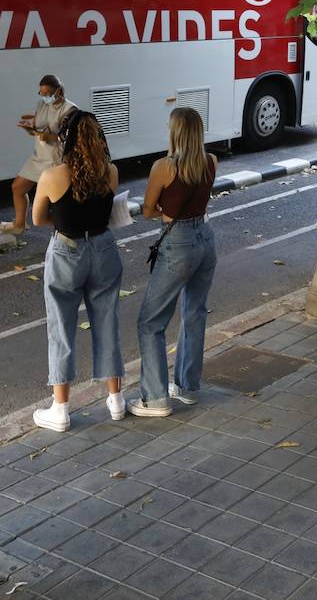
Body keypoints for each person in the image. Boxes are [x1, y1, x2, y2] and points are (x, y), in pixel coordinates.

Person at [29, 111, 124, 432]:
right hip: (104, 250)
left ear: (65, 139)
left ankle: (61, 409)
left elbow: (38, 219)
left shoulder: (52, 177)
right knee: (107, 320)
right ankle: (116, 401)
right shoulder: (110, 172)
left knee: (61, 327)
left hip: (66, 251)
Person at [128, 107, 219, 417]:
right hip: (206, 239)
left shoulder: (163, 167)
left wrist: (164, 211)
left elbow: (148, 209)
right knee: (194, 312)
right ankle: (187, 387)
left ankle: (154, 398)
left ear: (175, 132)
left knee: (150, 322)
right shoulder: (211, 162)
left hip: (178, 243)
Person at [0, 75, 76, 235]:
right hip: (39, 155)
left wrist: (47, 137)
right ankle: (19, 224)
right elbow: (37, 127)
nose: (44, 97)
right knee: (17, 187)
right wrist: (29, 129)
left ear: (59, 91)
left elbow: (70, 137)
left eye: (48, 93)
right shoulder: (41, 104)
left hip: (56, 159)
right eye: (41, 93)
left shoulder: (70, 109)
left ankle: (66, 230)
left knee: (54, 200)